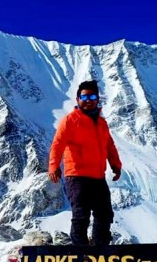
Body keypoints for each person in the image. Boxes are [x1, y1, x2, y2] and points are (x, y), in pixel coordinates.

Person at [48, 80, 122, 246]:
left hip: (98, 176)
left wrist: (116, 165)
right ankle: (80, 254)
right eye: (85, 96)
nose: (89, 100)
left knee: (104, 214)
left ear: (98, 99)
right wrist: (53, 166)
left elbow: (109, 145)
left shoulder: (102, 123)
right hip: (77, 176)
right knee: (81, 216)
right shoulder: (70, 120)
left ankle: (100, 250)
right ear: (77, 99)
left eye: (93, 96)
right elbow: (57, 143)